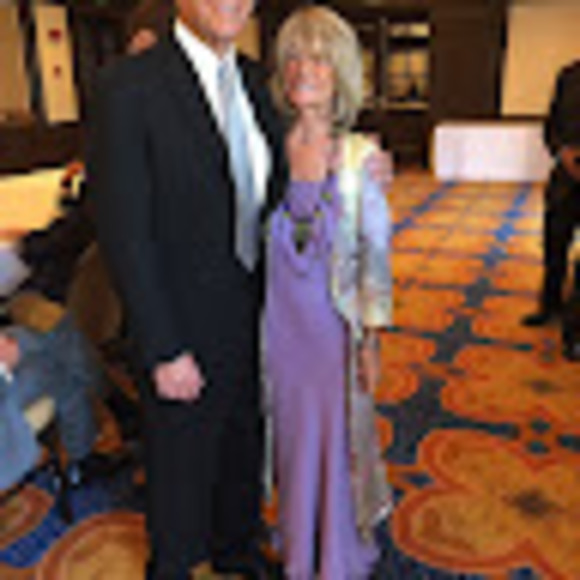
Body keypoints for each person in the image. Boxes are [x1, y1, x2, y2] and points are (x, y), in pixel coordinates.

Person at [88, 0, 288, 578]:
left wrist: (357, 168)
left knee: (243, 443)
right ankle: (174, 565)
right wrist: (162, 346)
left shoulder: (258, 81)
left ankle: (237, 551)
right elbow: (124, 231)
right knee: (180, 469)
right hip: (180, 324)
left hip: (257, 311)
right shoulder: (129, 87)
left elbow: (284, 180)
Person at [263, 7, 393, 579]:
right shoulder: (266, 145)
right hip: (276, 328)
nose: (303, 69)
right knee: (292, 441)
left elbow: (375, 257)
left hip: (333, 330)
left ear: (340, 72)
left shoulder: (360, 157)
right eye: (294, 56)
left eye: (318, 58)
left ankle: (337, 554)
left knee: (336, 442)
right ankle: (299, 548)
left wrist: (370, 340)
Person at [522, 60, 580, 326]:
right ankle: (549, 307)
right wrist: (562, 152)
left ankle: (575, 323)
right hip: (565, 180)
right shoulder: (569, 76)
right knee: (554, 247)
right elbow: (551, 126)